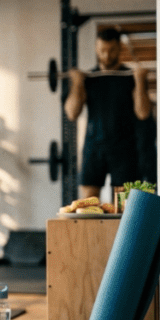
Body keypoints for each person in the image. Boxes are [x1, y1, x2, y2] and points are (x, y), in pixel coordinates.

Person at [63, 28, 152, 199]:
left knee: (123, 208)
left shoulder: (130, 78)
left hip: (124, 148)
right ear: (96, 48)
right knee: (89, 203)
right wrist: (77, 83)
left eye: (111, 50)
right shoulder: (88, 78)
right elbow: (72, 113)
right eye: (102, 50)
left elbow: (142, 113)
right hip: (94, 146)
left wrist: (140, 81)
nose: (106, 55)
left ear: (119, 48)